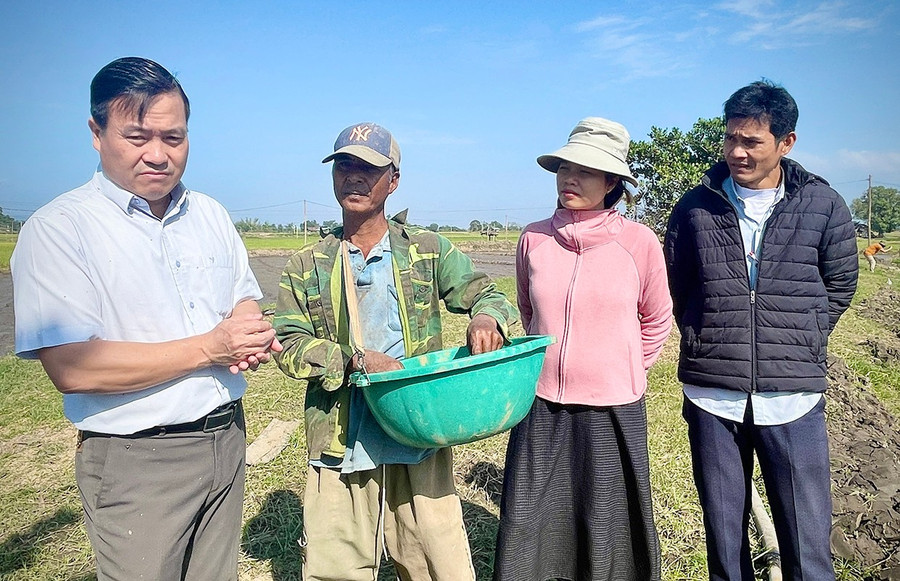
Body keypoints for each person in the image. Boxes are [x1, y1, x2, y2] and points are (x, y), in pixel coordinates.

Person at [11, 57, 281, 580]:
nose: (157, 154)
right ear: (96, 132)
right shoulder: (60, 230)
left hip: (226, 440)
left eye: (173, 138)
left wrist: (248, 329)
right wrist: (210, 347)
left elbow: (241, 299)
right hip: (137, 459)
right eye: (138, 136)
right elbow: (73, 367)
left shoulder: (210, 215)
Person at [273, 122, 518, 580]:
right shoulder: (308, 263)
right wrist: (351, 359)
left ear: (394, 180)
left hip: (418, 430)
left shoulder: (425, 250)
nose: (354, 176)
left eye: (368, 167)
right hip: (342, 434)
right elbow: (286, 341)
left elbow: (488, 295)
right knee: (336, 566)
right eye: (344, 165)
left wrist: (487, 318)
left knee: (435, 560)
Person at [664, 81, 859, 580]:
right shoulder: (693, 209)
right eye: (731, 138)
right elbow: (680, 285)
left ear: (786, 143)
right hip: (713, 396)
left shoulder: (823, 205)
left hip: (793, 398)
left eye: (751, 142)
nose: (736, 152)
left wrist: (804, 337)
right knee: (725, 546)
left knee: (807, 545)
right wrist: (705, 336)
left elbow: (839, 284)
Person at [493, 118, 673, 580]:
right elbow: (528, 311)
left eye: (586, 171)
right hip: (542, 404)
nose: (570, 179)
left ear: (612, 181)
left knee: (606, 521)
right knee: (531, 521)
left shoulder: (640, 243)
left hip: (613, 407)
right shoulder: (533, 239)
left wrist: (622, 366)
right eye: (564, 168)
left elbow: (656, 320)